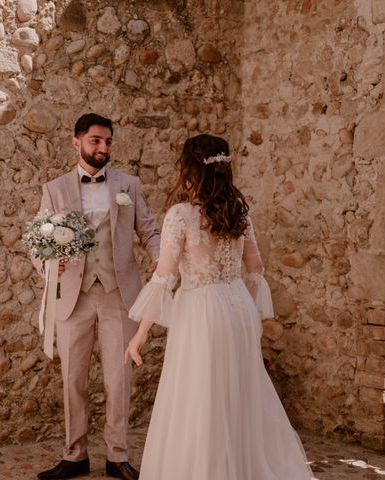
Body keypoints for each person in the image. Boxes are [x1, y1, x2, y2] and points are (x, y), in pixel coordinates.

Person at [125, 134, 313, 480]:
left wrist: (139, 335)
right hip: (237, 305)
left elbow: (164, 278)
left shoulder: (180, 215)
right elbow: (256, 270)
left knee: (201, 398)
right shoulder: (239, 211)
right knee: (238, 393)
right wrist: (247, 315)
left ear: (189, 170)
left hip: (200, 312)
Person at [35, 113, 160, 480]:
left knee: (118, 378)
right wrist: (48, 266)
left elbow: (148, 229)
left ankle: (117, 455)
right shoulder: (54, 189)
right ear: (77, 143)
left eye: (107, 142)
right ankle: (75, 455)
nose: (102, 148)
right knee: (73, 378)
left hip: (119, 294)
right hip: (72, 296)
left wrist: (158, 259)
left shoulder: (129, 185)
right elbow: (39, 240)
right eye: (95, 141)